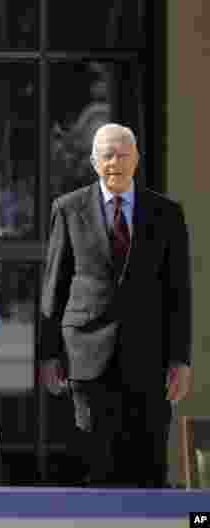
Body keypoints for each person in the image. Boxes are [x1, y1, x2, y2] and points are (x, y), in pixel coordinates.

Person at [39, 123, 192, 488]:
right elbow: (54, 286)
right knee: (96, 467)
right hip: (86, 355)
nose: (115, 163)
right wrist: (49, 354)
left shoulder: (166, 213)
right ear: (94, 162)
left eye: (123, 155)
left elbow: (178, 292)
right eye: (107, 155)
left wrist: (180, 359)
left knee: (148, 468)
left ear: (136, 159)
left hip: (148, 356)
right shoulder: (68, 208)